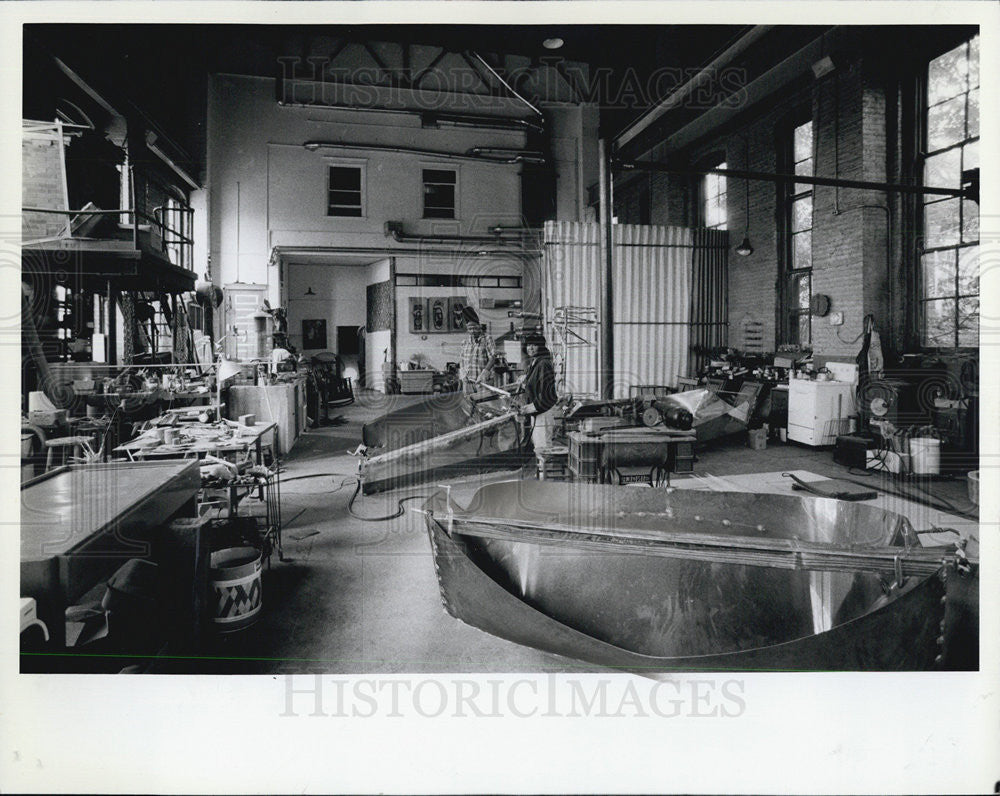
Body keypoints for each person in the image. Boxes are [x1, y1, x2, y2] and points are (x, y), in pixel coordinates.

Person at [518, 333, 558, 450]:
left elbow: (545, 393)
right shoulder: (535, 363)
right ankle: (542, 468)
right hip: (538, 411)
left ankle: (545, 468)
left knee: (543, 447)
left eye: (534, 345)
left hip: (543, 411)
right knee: (539, 446)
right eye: (528, 345)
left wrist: (529, 408)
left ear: (540, 347)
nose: (530, 348)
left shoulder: (543, 363)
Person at [460, 320, 497, 394]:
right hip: (469, 382)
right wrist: (463, 375)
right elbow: (462, 360)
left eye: (475, 328)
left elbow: (493, 357)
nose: (472, 331)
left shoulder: (487, 339)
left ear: (479, 327)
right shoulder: (465, 342)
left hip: (483, 382)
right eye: (470, 329)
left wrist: (484, 373)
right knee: (469, 403)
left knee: (485, 404)